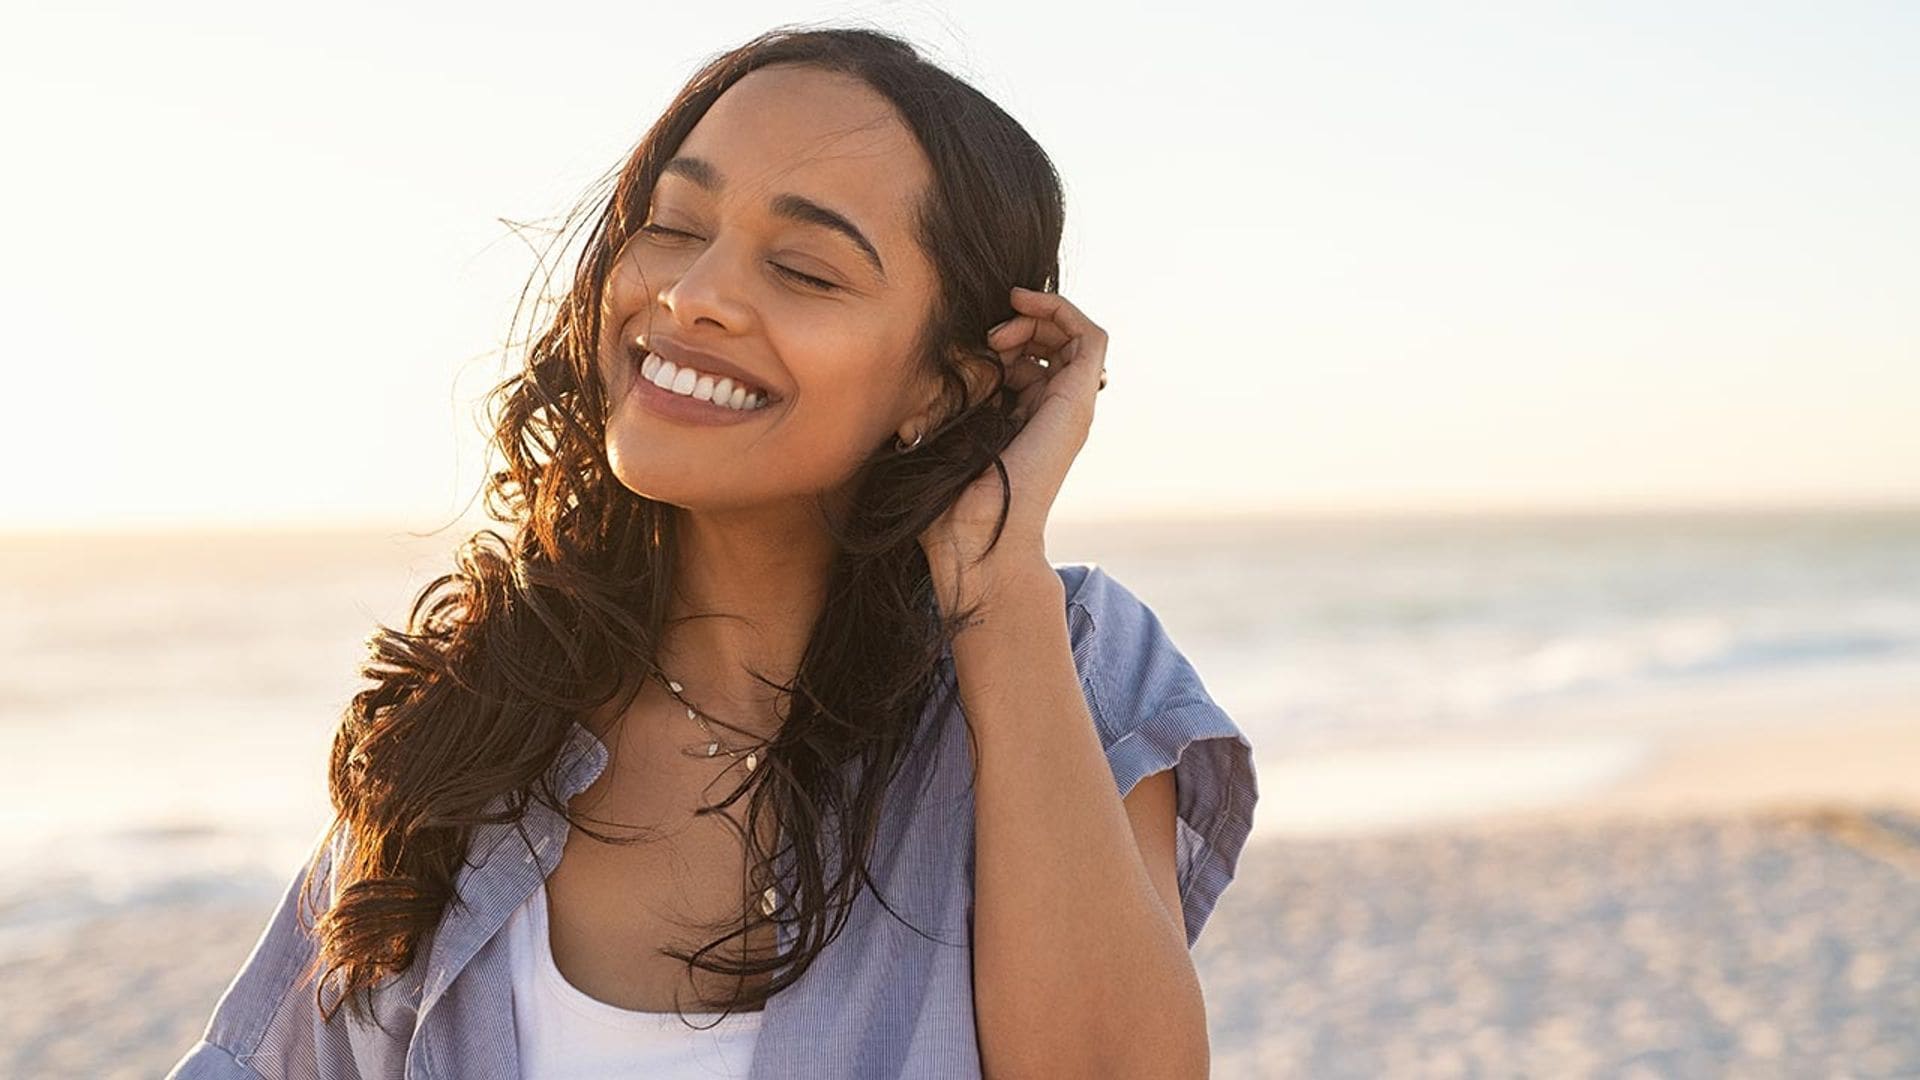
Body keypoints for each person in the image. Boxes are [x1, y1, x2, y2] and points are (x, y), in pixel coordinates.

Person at [166, 23, 1256, 1080]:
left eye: (805, 269)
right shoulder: (469, 727)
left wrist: (997, 582)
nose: (693, 297)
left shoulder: (1063, 663)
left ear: (943, 383)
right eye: (676, 227)